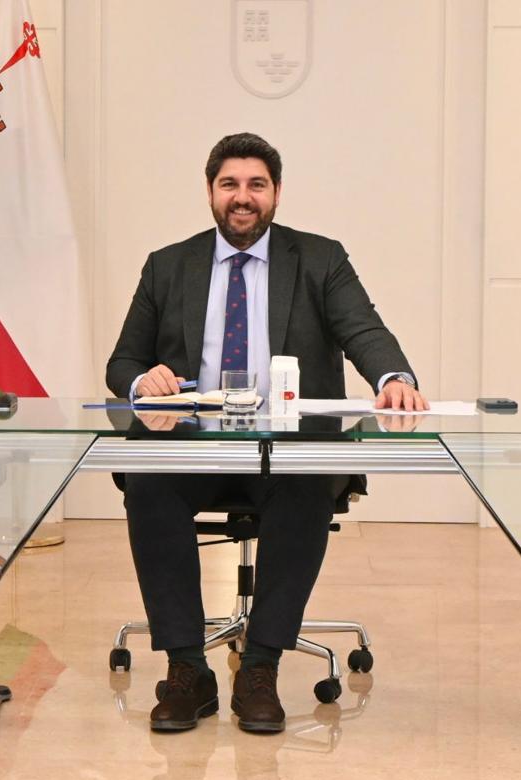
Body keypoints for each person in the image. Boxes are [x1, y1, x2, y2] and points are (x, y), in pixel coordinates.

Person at [106, 133, 428, 734]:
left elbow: (364, 329)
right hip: (193, 445)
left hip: (286, 449)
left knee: (305, 484)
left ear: (276, 193)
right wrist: (141, 382)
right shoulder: (167, 265)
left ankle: (260, 666)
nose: (242, 197)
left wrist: (394, 376)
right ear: (210, 193)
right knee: (148, 480)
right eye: (229, 184)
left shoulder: (320, 258)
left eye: (256, 184)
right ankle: (186, 669)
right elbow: (122, 363)